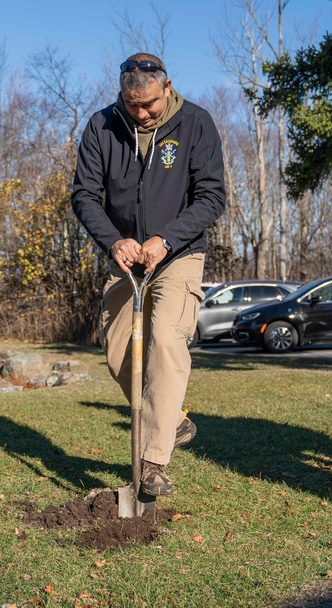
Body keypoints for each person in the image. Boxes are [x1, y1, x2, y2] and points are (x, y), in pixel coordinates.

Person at [72, 53, 226, 496]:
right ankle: (172, 420)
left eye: (149, 106)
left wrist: (167, 238)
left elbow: (212, 196)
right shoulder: (102, 126)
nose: (141, 114)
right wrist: (113, 240)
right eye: (132, 105)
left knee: (165, 339)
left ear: (168, 87)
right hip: (125, 258)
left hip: (177, 254)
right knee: (118, 351)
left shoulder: (197, 124)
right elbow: (84, 194)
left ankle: (154, 462)